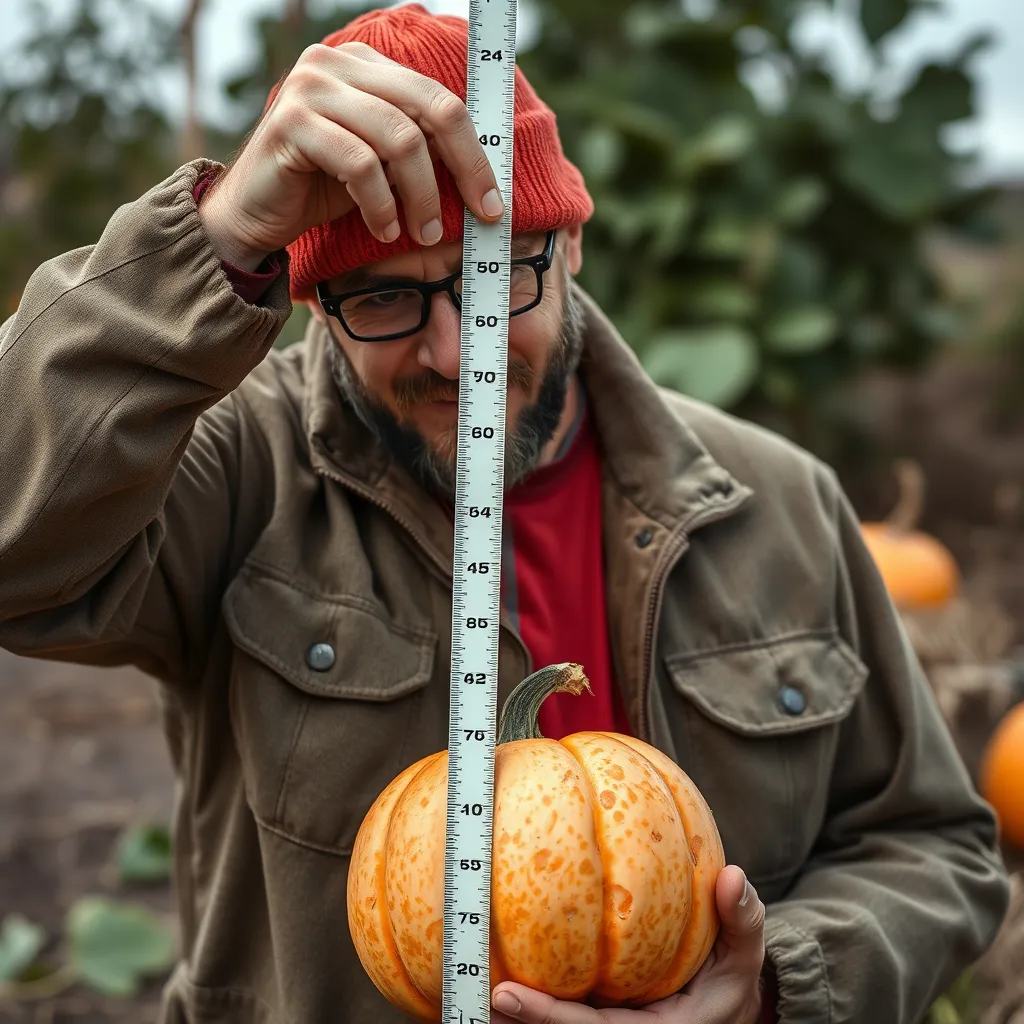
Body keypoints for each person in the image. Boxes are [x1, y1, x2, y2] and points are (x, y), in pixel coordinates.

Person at [0, 4, 1010, 1022]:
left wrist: (775, 987)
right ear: (313, 304)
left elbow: (934, 846)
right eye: (383, 300)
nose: (455, 352)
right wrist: (217, 238)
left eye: (494, 278)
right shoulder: (231, 471)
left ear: (568, 244)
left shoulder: (778, 502)